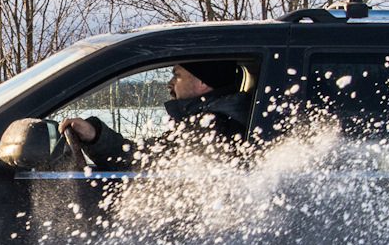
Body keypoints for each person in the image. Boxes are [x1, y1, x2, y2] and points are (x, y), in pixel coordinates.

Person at [57, 60, 248, 170]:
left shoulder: (212, 129)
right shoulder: (205, 121)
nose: (170, 83)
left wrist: (96, 137)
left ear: (202, 82)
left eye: (177, 75)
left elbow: (143, 165)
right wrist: (94, 135)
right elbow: (149, 156)